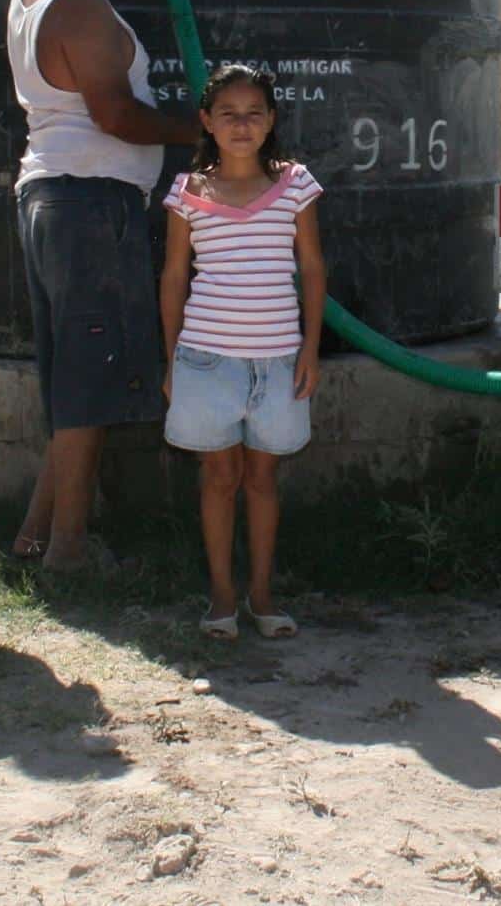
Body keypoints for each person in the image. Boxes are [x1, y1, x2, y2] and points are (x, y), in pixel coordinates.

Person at [7, 0, 198, 571]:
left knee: (69, 377)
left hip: (49, 199)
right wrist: (200, 130)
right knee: (87, 384)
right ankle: (69, 550)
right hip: (90, 206)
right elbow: (116, 114)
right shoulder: (83, 11)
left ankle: (33, 534)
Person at [158, 64, 325, 639]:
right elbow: (175, 276)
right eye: (227, 113)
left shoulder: (296, 184)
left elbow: (311, 266)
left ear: (272, 120)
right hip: (205, 360)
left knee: (262, 479)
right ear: (206, 120)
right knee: (218, 477)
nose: (241, 124)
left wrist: (310, 348)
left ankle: (262, 594)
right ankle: (222, 598)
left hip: (278, 362)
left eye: (254, 112)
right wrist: (170, 360)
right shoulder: (187, 193)